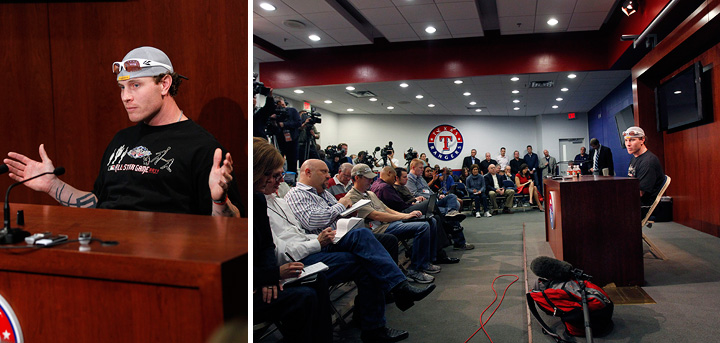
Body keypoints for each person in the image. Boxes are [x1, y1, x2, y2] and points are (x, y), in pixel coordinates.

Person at [4, 46, 240, 217]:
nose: (126, 96)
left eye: (136, 85)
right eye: (122, 87)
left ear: (165, 84)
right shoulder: (121, 140)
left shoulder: (203, 148)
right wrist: (51, 185)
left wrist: (219, 200)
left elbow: (229, 230)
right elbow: (99, 203)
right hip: (108, 252)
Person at [254, 140, 432, 342]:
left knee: (366, 241)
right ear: (307, 172)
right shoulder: (289, 196)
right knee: (369, 258)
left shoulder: (277, 200)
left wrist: (326, 232)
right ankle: (387, 306)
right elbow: (298, 235)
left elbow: (302, 231)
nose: (281, 180)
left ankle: (392, 297)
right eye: (324, 172)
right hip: (303, 256)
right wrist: (321, 237)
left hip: (317, 243)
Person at [344, 164, 439, 283]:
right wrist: (405, 216)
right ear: (357, 178)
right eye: (367, 178)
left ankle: (426, 262)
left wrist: (406, 216)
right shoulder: (352, 197)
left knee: (430, 220)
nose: (371, 180)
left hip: (388, 223)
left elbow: (386, 209)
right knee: (422, 226)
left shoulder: (370, 194)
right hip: (379, 229)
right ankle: (416, 268)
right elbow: (376, 215)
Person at [392, 167, 471, 256]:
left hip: (428, 201)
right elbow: (402, 205)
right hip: (415, 209)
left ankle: (451, 214)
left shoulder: (409, 184)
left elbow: (427, 192)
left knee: (451, 197)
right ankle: (457, 238)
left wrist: (436, 196)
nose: (406, 178)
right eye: (404, 177)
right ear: (397, 178)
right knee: (442, 214)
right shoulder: (396, 188)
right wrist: (415, 200)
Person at [624, 127, 665, 210]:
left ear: (642, 140)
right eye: (626, 140)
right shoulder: (634, 158)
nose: (628, 144)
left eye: (632, 140)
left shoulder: (648, 162)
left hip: (642, 206)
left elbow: (640, 193)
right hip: (635, 202)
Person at [271, 96, 301, 173]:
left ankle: (292, 179)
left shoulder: (292, 111)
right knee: (277, 161)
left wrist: (284, 124)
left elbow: (298, 123)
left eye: (281, 103)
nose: (281, 106)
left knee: (292, 162)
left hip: (292, 141)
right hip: (279, 140)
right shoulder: (274, 112)